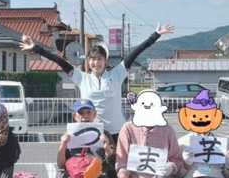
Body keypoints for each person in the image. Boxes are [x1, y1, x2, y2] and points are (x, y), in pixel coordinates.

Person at [19, 23, 174, 143]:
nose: (96, 62)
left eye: (99, 59)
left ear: (105, 61)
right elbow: (59, 61)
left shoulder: (117, 73)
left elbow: (135, 53)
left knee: (117, 170)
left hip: (117, 130)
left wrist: (155, 35)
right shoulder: (82, 78)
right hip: (92, 130)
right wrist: (36, 48)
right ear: (88, 61)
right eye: (93, 59)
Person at [57, 99, 114, 178]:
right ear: (74, 116)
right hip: (73, 176)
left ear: (95, 114)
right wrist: (63, 145)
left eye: (88, 112)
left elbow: (113, 161)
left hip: (97, 176)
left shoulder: (104, 134)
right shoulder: (69, 136)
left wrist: (107, 147)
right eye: (81, 113)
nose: (85, 116)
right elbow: (61, 164)